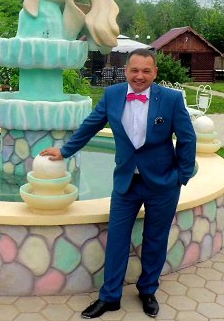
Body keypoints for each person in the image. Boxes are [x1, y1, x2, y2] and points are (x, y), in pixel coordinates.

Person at [40, 48, 196, 318]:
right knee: (116, 239)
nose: (139, 76)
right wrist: (65, 151)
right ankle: (110, 297)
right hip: (126, 182)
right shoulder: (112, 95)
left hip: (162, 184)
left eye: (146, 71)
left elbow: (187, 138)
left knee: (155, 240)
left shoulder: (171, 99)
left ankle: (148, 290)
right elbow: (91, 125)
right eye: (134, 70)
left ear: (155, 72)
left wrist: (181, 177)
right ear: (126, 71)